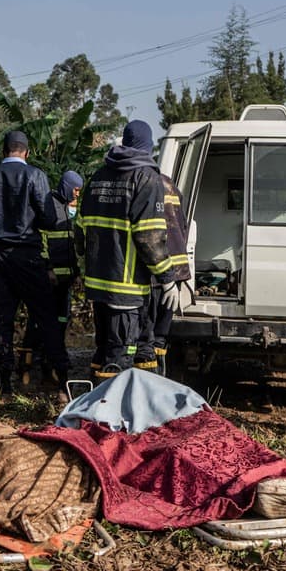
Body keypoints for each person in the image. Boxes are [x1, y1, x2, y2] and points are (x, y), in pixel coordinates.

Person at [76, 120, 177, 381]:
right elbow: (149, 237)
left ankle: (91, 407)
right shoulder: (146, 178)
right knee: (120, 359)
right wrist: (167, 279)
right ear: (148, 145)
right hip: (127, 288)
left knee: (104, 350)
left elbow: (80, 228)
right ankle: (109, 417)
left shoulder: (98, 176)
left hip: (98, 285)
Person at [0, 131, 64, 395]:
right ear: (26, 152)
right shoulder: (35, 176)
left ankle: (5, 385)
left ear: (4, 151)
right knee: (46, 316)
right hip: (27, 254)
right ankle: (61, 380)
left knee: (2, 320)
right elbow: (49, 219)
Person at [19, 170, 82, 386]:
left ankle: (50, 365)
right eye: (75, 189)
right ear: (66, 186)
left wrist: (77, 273)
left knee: (61, 321)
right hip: (49, 278)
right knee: (38, 323)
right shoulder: (49, 206)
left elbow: (73, 245)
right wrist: (48, 268)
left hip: (66, 281)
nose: (77, 194)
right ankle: (25, 366)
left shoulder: (71, 210)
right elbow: (42, 240)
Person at [136, 171, 191, 377]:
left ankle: (149, 381)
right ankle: (160, 376)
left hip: (157, 268)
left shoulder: (143, 183)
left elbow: (146, 233)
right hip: (176, 267)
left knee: (146, 333)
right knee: (161, 333)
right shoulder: (170, 184)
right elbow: (182, 224)